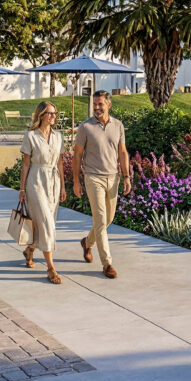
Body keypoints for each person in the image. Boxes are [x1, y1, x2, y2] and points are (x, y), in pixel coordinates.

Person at [71, 90, 130, 280]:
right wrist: (76, 181)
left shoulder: (118, 126)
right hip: (93, 177)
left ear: (108, 105)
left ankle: (87, 243)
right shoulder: (85, 127)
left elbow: (122, 152)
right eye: (94, 104)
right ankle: (107, 263)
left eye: (100, 104)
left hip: (113, 178)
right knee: (101, 219)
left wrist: (127, 176)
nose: (96, 107)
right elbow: (77, 155)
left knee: (108, 219)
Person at [16, 101, 66, 284]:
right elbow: (26, 164)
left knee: (45, 223)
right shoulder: (30, 136)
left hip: (53, 182)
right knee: (46, 222)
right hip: (35, 180)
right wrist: (22, 189)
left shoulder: (58, 137)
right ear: (41, 115)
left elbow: (60, 162)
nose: (53, 116)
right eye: (50, 113)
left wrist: (64, 186)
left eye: (55, 113)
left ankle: (29, 250)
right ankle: (51, 267)